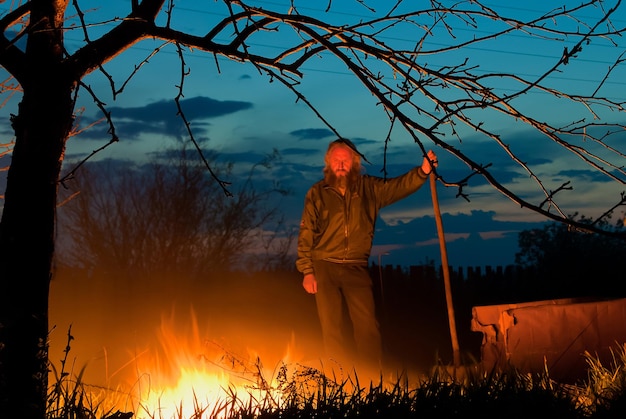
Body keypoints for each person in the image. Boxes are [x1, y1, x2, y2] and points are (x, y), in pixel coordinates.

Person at [296, 138, 438, 374]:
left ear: (355, 163)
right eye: (336, 159)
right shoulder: (317, 193)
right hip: (324, 265)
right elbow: (306, 232)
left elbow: (398, 187)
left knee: (367, 326)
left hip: (356, 266)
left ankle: (371, 374)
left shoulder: (369, 189)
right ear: (328, 163)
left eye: (346, 159)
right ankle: (337, 375)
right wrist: (307, 270)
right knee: (332, 326)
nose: (341, 164)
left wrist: (422, 171)